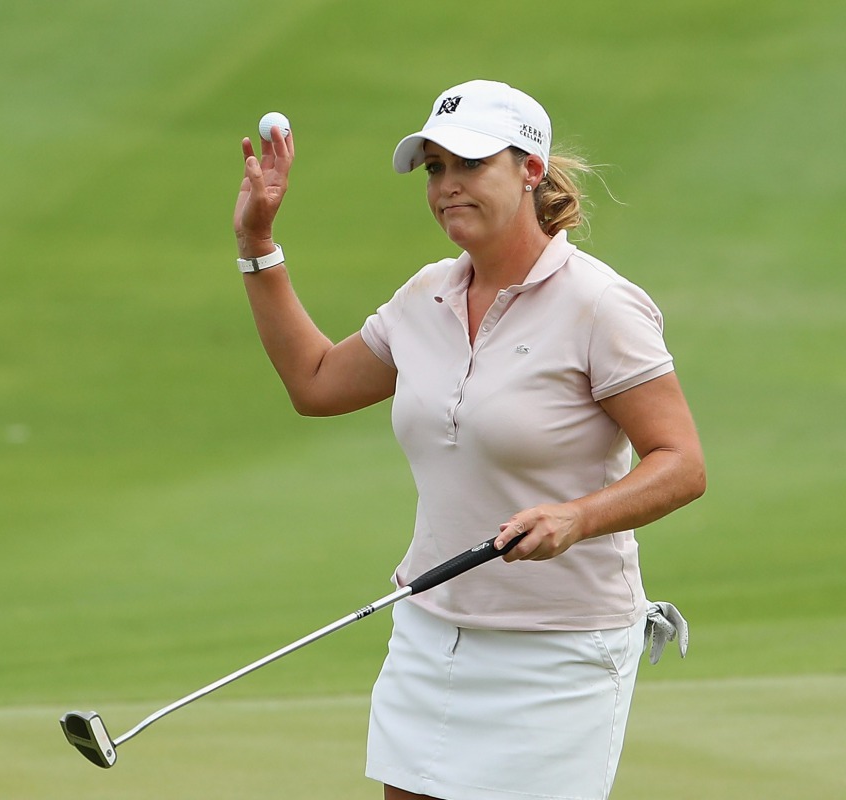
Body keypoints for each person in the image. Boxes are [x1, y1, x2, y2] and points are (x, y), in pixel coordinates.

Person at [232, 79, 707, 800]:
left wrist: (577, 517)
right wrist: (257, 245)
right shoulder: (426, 295)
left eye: (470, 164)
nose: (447, 186)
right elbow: (318, 382)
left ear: (531, 170)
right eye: (435, 169)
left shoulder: (600, 305)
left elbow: (682, 464)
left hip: (559, 647)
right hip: (430, 624)